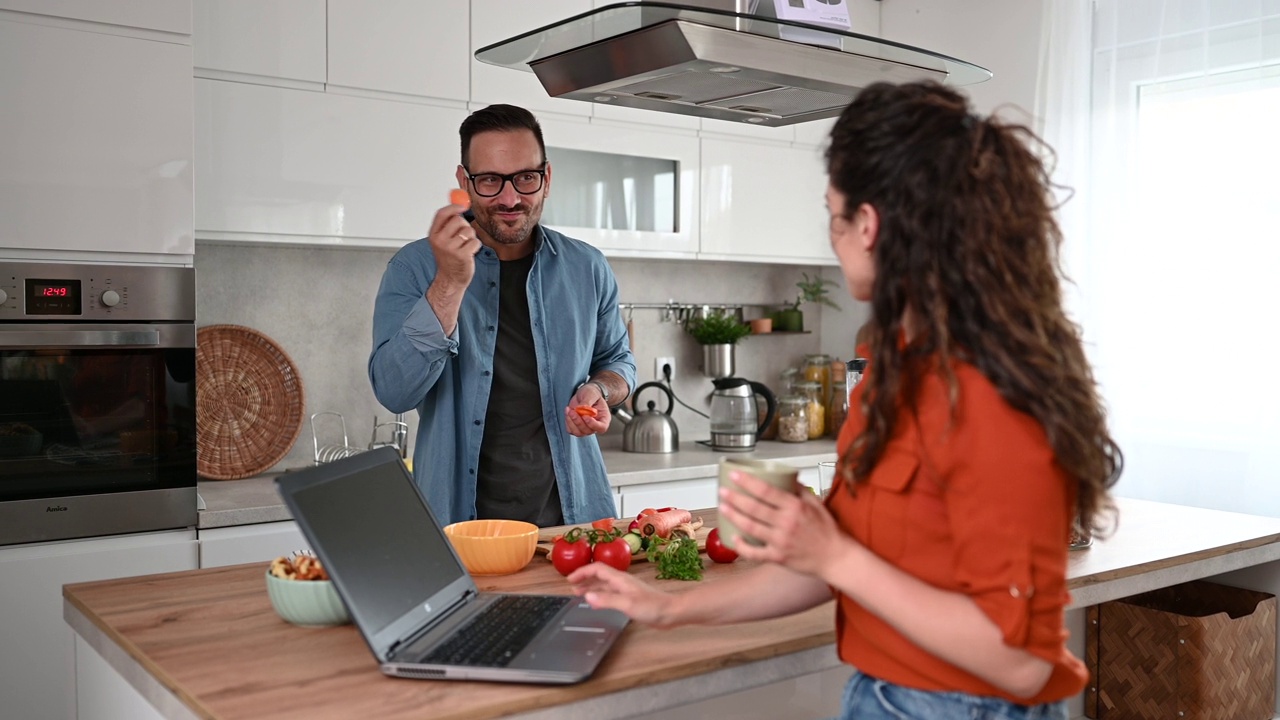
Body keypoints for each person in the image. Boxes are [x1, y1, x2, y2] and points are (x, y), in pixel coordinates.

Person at [569, 82, 1121, 718]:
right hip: (883, 696)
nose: (831, 234)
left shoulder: (992, 392)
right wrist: (670, 609)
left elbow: (1019, 662)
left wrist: (836, 553)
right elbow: (837, 566)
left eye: (833, 213)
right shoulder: (893, 370)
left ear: (870, 224)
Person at [369, 104, 635, 528]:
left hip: (572, 523)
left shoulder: (588, 267)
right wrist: (450, 284)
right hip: (459, 527)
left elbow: (619, 362)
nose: (510, 199)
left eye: (525, 178)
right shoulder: (415, 267)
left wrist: (601, 390)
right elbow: (394, 391)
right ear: (464, 182)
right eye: (490, 180)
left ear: (546, 178)